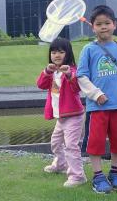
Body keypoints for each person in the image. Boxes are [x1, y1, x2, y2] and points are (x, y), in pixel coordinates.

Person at [77, 5, 117, 194]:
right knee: (95, 142)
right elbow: (81, 76)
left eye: (107, 23)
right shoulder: (88, 49)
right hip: (97, 107)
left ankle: (115, 173)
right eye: (99, 24)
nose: (103, 27)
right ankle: (98, 176)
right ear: (93, 27)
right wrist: (96, 94)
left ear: (114, 25)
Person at [36, 37, 87, 187]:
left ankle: (77, 176)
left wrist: (69, 74)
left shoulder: (72, 70)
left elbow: (77, 88)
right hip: (61, 117)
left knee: (71, 145)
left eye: (61, 52)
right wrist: (46, 71)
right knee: (56, 143)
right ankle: (60, 164)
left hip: (74, 116)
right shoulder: (52, 72)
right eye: (53, 52)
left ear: (68, 54)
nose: (56, 55)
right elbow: (40, 84)